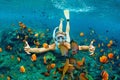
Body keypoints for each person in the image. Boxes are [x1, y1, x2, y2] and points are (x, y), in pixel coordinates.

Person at [24, 10, 95, 56]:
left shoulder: (68, 45)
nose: (60, 40)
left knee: (67, 31)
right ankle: (61, 21)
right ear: (55, 39)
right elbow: (40, 50)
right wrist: (30, 49)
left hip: (67, 40)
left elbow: (81, 47)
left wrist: (89, 47)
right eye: (58, 38)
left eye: (62, 38)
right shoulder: (53, 46)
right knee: (60, 30)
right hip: (61, 41)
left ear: (64, 38)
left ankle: (67, 21)